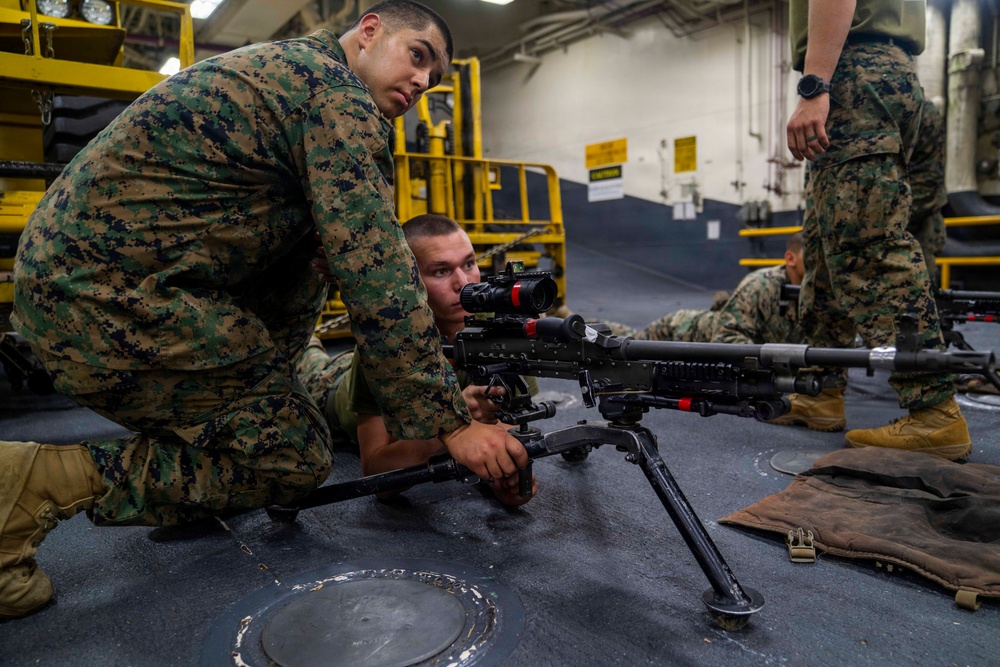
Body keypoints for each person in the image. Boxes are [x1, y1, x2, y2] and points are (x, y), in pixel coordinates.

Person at [1, 0, 529, 621]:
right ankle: (28, 484)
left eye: (434, 78)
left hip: (89, 285)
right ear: (367, 32)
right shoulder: (335, 98)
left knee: (278, 405)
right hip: (110, 298)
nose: (420, 81)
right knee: (292, 455)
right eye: (417, 56)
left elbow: (298, 260)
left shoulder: (288, 75)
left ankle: (185, 444)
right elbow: (380, 275)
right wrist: (452, 424)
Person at [786, 0, 969, 460]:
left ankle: (934, 411)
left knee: (866, 244)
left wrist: (814, 85)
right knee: (826, 249)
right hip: (873, 69)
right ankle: (820, 391)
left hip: (856, 69)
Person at [299, 213, 539, 505]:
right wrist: (451, 421)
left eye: (469, 263)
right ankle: (304, 340)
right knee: (302, 358)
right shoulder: (384, 341)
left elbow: (504, 435)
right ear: (408, 281)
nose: (463, 283)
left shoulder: (501, 331)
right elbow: (376, 475)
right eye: (440, 271)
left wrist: (505, 477)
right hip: (331, 387)